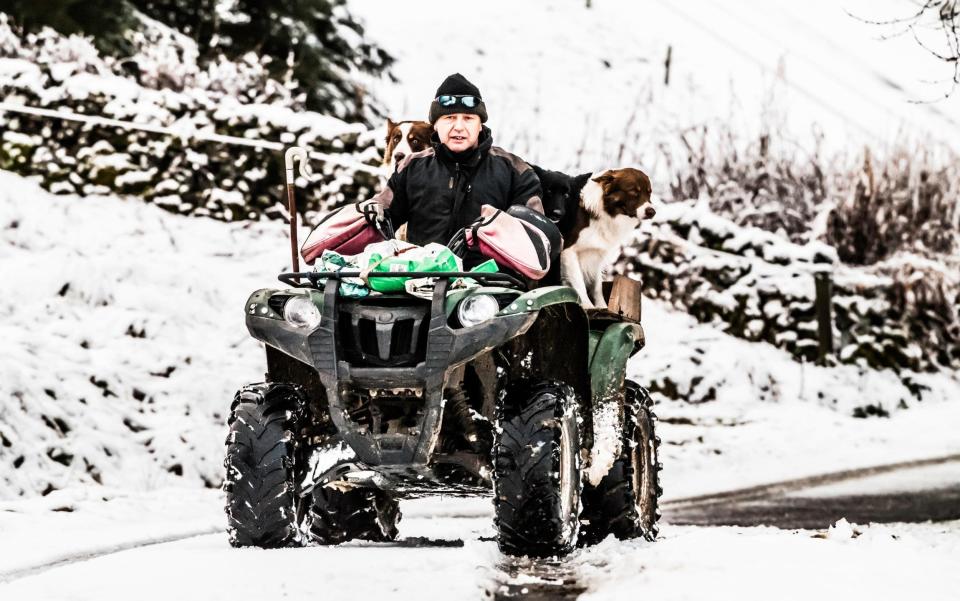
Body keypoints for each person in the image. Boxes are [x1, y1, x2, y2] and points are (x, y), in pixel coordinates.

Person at [364, 73, 543, 265]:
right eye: (449, 118)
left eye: (468, 118)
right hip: (417, 283)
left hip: (490, 288)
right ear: (435, 125)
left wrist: (496, 228)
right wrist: (369, 213)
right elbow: (379, 217)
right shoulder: (411, 168)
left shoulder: (515, 171)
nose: (458, 127)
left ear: (480, 125)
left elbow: (536, 236)